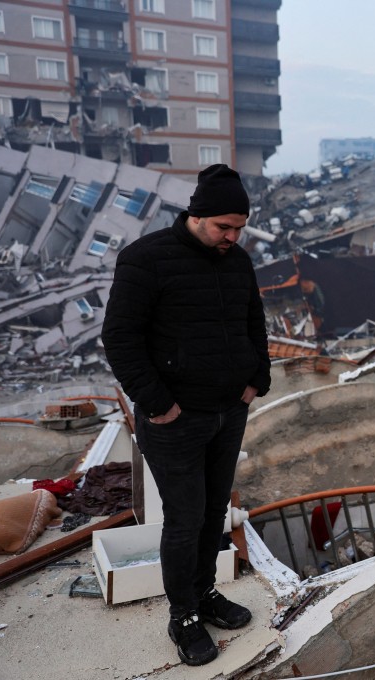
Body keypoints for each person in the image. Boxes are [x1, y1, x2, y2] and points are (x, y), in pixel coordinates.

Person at [102, 164, 271, 666]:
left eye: (239, 227)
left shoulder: (236, 260)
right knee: (184, 519)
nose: (232, 237)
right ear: (196, 216)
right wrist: (158, 403)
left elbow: (253, 324)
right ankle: (184, 617)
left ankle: (205, 595)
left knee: (214, 513)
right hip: (174, 420)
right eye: (224, 227)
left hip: (227, 412)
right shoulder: (145, 260)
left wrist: (254, 382)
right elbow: (120, 339)